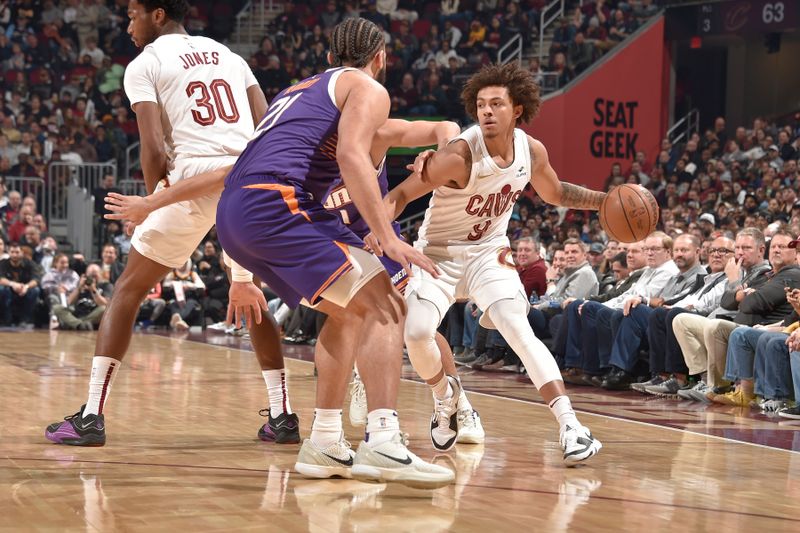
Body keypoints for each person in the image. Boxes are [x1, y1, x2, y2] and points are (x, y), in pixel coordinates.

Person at [45, 0, 298, 448]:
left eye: (132, 15)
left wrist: (153, 201)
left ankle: (90, 417)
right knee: (250, 292)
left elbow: (154, 147)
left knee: (127, 289)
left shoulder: (147, 61)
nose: (128, 25)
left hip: (191, 182)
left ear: (157, 15)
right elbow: (266, 126)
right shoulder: (231, 57)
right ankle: (282, 416)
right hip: (247, 180)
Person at [385, 62, 602, 464]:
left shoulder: (531, 150)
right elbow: (398, 195)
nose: (486, 111)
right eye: (481, 104)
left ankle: (571, 425)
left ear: (517, 109)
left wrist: (603, 201)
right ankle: (446, 398)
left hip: (489, 251)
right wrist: (383, 232)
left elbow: (555, 193)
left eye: (496, 104)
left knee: (518, 328)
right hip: (438, 254)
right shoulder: (459, 156)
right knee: (416, 334)